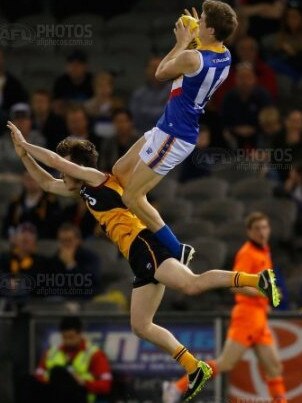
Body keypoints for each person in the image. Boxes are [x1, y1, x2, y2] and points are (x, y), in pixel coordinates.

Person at [8, 122, 280, 402]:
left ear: (76, 167)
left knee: (191, 285)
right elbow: (45, 182)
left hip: (143, 244)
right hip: (137, 257)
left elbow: (53, 162)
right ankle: (193, 366)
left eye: (66, 167)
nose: (60, 173)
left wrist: (26, 143)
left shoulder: (96, 178)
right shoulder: (81, 192)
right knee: (140, 325)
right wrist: (23, 156)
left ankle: (257, 279)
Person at [112, 1, 238, 264]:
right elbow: (200, 58)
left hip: (175, 135)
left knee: (132, 196)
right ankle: (135, 225)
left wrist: (182, 41)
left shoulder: (192, 57)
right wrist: (196, 39)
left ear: (212, 30)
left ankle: (177, 248)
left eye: (203, 20)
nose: (198, 21)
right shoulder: (225, 54)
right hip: (168, 127)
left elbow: (159, 73)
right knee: (120, 171)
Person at [162, 212, 287, 403]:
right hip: (246, 316)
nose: (262, 232)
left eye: (265, 227)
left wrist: (265, 302)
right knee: (226, 363)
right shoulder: (247, 253)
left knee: (274, 368)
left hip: (259, 317)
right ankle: (176, 387)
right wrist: (266, 294)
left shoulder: (264, 250)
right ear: (249, 232)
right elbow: (235, 285)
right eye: (257, 228)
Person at [21, 316, 112, 403]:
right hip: (53, 395)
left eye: (71, 337)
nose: (68, 341)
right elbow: (39, 375)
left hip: (80, 396)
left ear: (80, 334)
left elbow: (105, 385)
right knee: (27, 381)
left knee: (59, 373)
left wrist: (83, 382)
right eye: (65, 337)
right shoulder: (51, 352)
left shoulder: (95, 354)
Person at [2, 171, 61, 239]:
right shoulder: (15, 203)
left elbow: (53, 226)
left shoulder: (50, 202)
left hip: (42, 241)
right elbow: (7, 225)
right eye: (28, 178)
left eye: (33, 178)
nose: (30, 182)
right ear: (23, 180)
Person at [48, 223, 101, 298]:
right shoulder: (55, 258)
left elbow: (89, 283)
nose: (65, 244)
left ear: (78, 241)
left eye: (69, 240)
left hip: (85, 299)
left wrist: (70, 264)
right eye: (62, 241)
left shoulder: (90, 258)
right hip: (60, 300)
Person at [0, 222, 47, 300]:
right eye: (23, 240)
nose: (26, 236)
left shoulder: (42, 262)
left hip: (31, 303)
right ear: (14, 239)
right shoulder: (4, 258)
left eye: (29, 239)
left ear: (35, 243)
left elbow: (42, 286)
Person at [129, 56, 171, 133]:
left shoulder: (173, 90)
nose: (156, 71)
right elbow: (135, 119)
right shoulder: (138, 94)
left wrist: (145, 112)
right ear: (147, 70)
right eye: (153, 68)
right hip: (143, 134)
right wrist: (162, 111)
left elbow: (172, 115)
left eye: (159, 67)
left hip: (168, 134)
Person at [52, 50, 93, 115]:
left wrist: (68, 105)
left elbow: (97, 106)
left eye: (79, 64)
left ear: (86, 66)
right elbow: (56, 107)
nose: (75, 67)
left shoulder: (92, 81)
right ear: (66, 66)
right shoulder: (60, 82)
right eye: (71, 63)